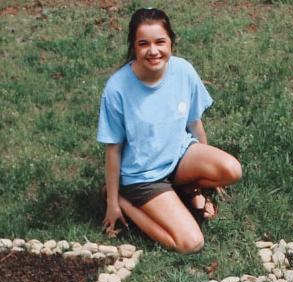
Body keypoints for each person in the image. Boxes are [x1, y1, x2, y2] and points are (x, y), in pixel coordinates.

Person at [96, 8, 242, 253]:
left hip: (178, 156)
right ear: (133, 46)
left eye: (160, 42)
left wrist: (204, 177)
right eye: (144, 44)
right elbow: (113, 149)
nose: (153, 51)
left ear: (171, 42)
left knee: (232, 170)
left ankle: (187, 187)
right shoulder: (117, 88)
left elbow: (194, 123)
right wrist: (113, 202)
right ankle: (125, 201)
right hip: (143, 177)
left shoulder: (183, 71)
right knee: (191, 243)